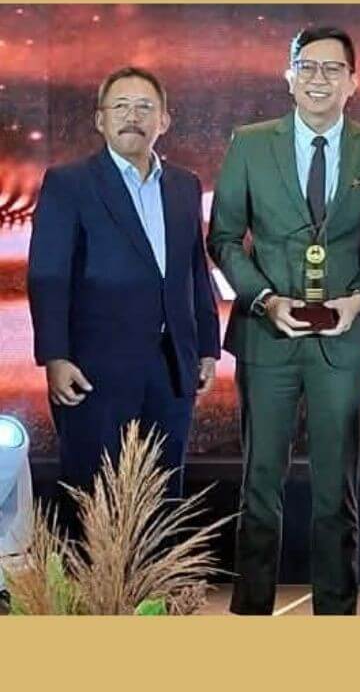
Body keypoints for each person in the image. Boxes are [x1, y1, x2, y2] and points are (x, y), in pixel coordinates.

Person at [207, 26, 360, 615]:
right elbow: (224, 239)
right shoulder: (249, 143)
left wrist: (359, 301)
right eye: (307, 67)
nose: (319, 79)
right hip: (267, 335)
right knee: (259, 482)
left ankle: (336, 611)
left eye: (332, 69)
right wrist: (265, 298)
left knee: (334, 489)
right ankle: (251, 608)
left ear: (355, 81)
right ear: (288, 75)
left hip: (342, 340)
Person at [27, 67, 220, 504]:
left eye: (144, 107)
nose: (132, 116)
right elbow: (47, 274)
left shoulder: (184, 186)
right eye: (121, 106)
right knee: (94, 499)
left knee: (161, 496)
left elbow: (195, 272)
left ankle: (153, 575)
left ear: (164, 121)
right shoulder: (68, 183)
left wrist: (206, 348)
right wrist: (55, 356)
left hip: (171, 370)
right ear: (100, 119)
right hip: (93, 373)